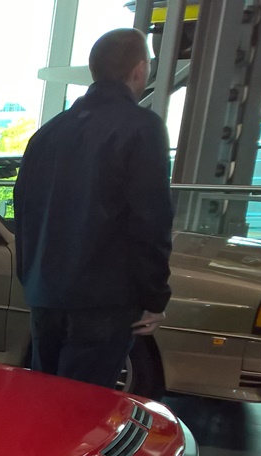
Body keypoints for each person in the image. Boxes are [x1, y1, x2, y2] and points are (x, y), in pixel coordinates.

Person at [14, 28, 172, 389]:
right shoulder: (142, 127)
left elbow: (23, 213)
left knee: (44, 397)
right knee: (83, 406)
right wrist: (154, 295)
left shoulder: (48, 133)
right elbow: (151, 217)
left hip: (45, 294)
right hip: (105, 299)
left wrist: (32, 280)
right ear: (140, 70)